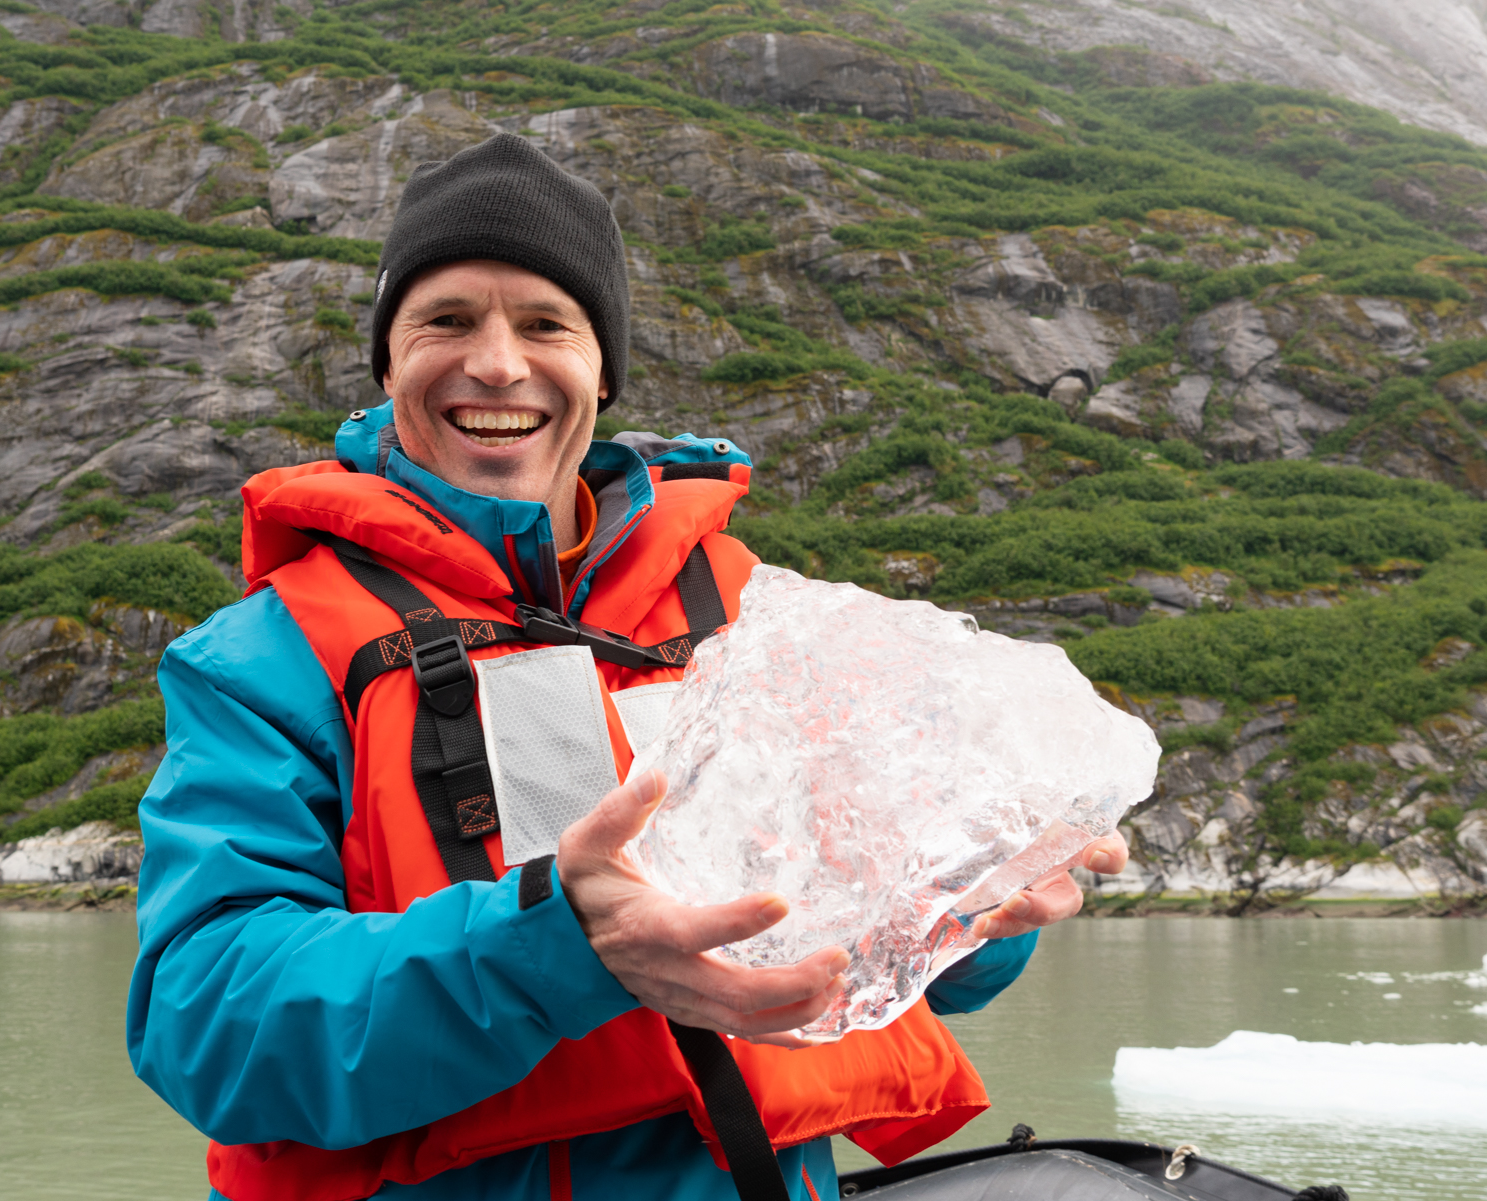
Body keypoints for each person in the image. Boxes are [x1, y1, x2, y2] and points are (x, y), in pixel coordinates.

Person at [127, 133, 1129, 1201]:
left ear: (603, 368)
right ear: (389, 360)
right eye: (447, 320)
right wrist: (552, 944)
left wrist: (970, 910)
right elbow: (207, 1020)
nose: (500, 364)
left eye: (548, 323)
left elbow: (861, 925)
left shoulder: (743, 607)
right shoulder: (262, 656)